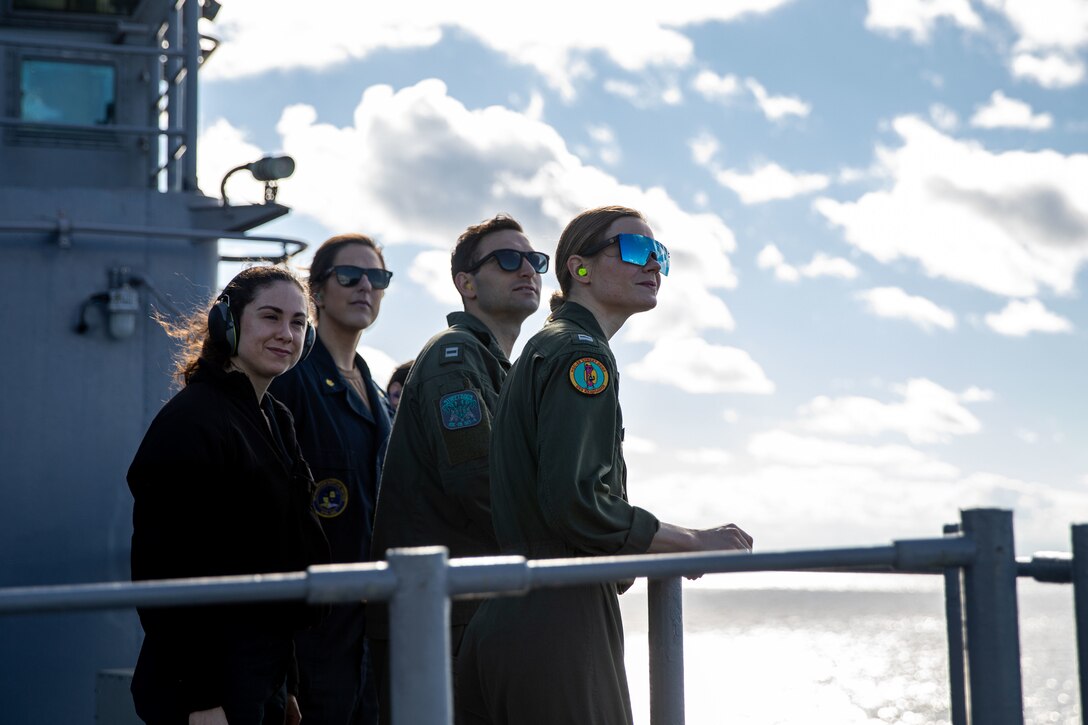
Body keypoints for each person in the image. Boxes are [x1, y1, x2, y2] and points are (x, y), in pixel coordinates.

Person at [456, 205, 754, 725]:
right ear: (580, 267)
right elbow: (576, 502)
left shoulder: (550, 346)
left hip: (518, 611)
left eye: (659, 253)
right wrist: (690, 541)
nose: (654, 264)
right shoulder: (579, 356)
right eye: (636, 249)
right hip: (558, 617)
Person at [128, 265, 330, 725]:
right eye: (270, 317)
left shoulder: (275, 418)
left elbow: (279, 560)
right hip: (209, 684)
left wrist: (287, 681)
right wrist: (200, 698)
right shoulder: (193, 421)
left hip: (262, 674)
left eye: (299, 323)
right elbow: (165, 568)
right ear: (229, 323)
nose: (287, 333)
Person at [367, 214, 546, 724]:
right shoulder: (455, 360)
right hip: (443, 621)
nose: (527, 270)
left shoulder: (492, 363)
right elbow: (480, 481)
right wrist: (574, 547)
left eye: (534, 261)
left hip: (467, 612)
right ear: (466, 283)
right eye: (507, 260)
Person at [268, 233, 395, 725]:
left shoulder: (378, 394)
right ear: (316, 291)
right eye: (350, 275)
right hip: (309, 627)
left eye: (377, 277)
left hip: (367, 628)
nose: (366, 285)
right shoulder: (292, 379)